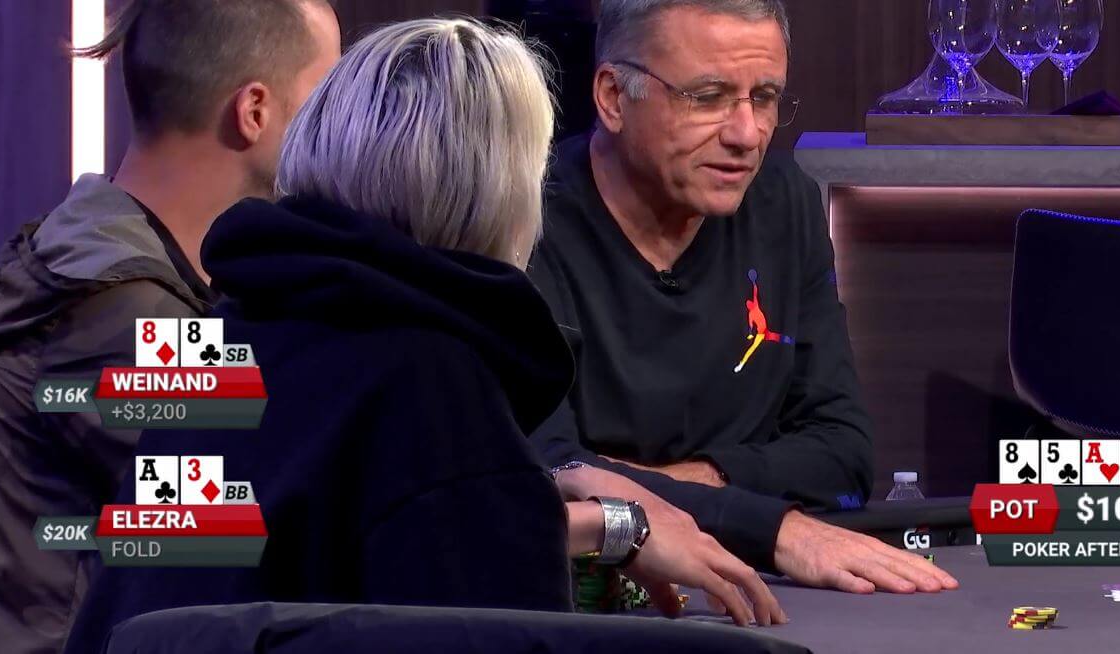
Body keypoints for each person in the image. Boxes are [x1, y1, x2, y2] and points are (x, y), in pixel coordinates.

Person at [64, 18, 784, 653]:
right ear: (500, 189)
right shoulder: (433, 385)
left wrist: (586, 516)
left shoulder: (225, 338)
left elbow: (287, 549)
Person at [529, 0, 960, 594]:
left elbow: (842, 453)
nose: (747, 134)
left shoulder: (784, 204)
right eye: (707, 97)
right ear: (613, 98)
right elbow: (543, 467)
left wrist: (680, 483)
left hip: (757, 594)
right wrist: (771, 528)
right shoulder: (522, 220)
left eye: (764, 97)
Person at [0, 2, 340, 652]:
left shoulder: (99, 263)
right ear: (254, 111)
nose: (341, 126)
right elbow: (282, 525)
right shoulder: (127, 314)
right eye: (327, 95)